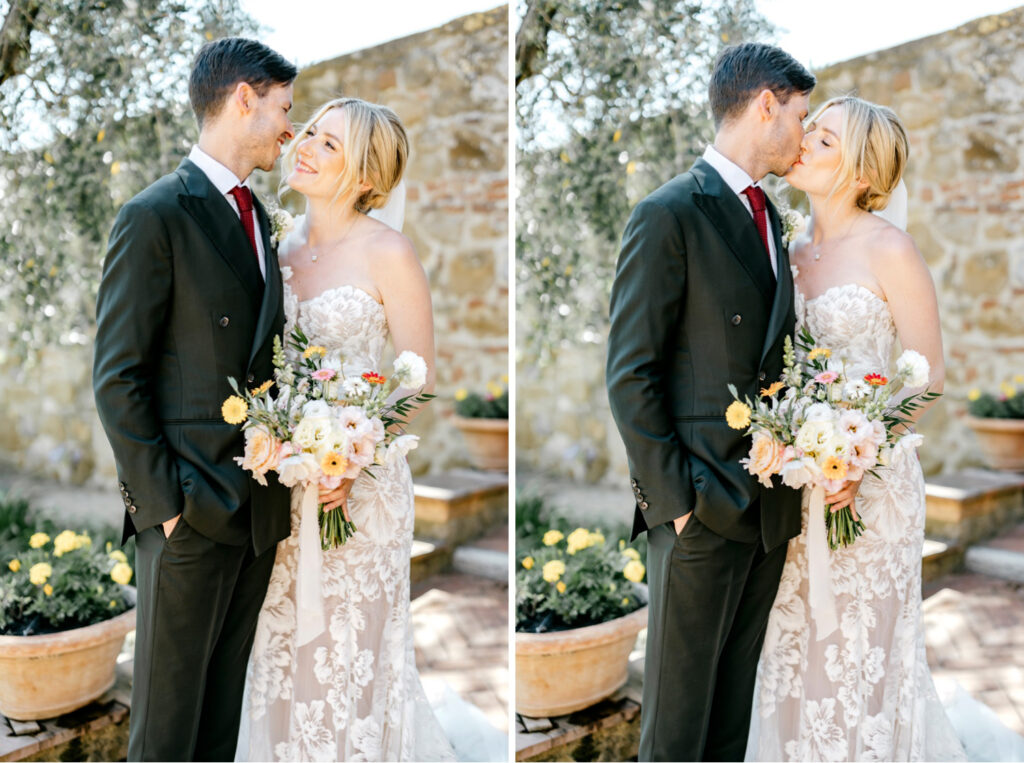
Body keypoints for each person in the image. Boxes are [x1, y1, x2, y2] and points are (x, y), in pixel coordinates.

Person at [605, 42, 815, 761]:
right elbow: (630, 373)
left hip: (769, 506)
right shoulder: (667, 212)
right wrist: (676, 504)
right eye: (800, 115)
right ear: (766, 106)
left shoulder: (773, 220)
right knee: (675, 729)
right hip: (700, 506)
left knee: (730, 722)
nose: (805, 133)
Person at [92, 38, 297, 761]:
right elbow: (118, 375)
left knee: (217, 728)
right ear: (244, 98)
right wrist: (166, 509)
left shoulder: (261, 220)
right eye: (282, 109)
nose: (289, 128)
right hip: (188, 512)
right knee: (165, 733)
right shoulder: (153, 215)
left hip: (258, 512)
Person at [234, 97, 455, 762]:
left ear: (365, 175)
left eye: (329, 144)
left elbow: (415, 376)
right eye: (309, 134)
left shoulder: (389, 251)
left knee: (351, 656)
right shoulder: (272, 247)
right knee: (280, 652)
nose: (304, 147)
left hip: (363, 493)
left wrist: (356, 453)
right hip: (285, 485)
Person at [746, 96, 966, 762]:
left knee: (863, 658)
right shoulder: (785, 249)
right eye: (810, 131)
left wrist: (858, 454)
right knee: (797, 651)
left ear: (863, 173)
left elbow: (925, 376)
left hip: (873, 491)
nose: (804, 142)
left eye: (826, 141)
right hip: (799, 486)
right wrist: (791, 439)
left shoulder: (890, 250)